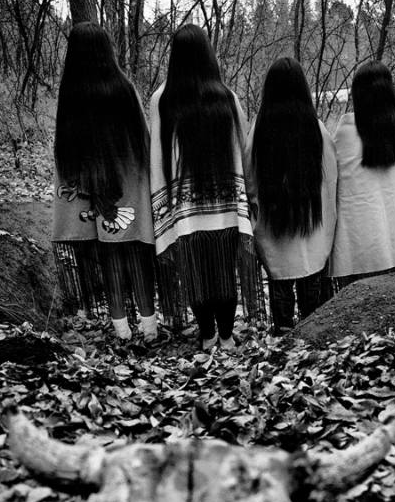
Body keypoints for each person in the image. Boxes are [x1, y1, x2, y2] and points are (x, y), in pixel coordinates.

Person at [148, 24, 261, 351]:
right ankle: (226, 337)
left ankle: (208, 335)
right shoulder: (227, 97)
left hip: (185, 213)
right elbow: (243, 150)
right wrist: (249, 198)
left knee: (196, 277)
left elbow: (156, 153)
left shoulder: (162, 99)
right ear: (209, 56)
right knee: (225, 274)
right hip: (226, 208)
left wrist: (161, 207)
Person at [52, 21, 158, 342]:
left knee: (110, 256)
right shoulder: (123, 87)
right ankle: (150, 328)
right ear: (107, 51)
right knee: (138, 251)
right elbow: (143, 137)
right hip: (129, 183)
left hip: (95, 189)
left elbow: (65, 150)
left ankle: (121, 329)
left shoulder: (71, 95)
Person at [244, 57, 337, 334]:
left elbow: (249, 182)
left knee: (281, 289)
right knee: (314, 295)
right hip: (311, 227)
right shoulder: (315, 128)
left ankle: (284, 337)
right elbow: (331, 177)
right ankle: (313, 336)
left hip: (275, 230)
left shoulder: (258, 132)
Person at [329, 61, 395, 284]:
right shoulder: (394, 130)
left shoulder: (347, 130)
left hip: (358, 250)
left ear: (359, 94)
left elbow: (331, 175)